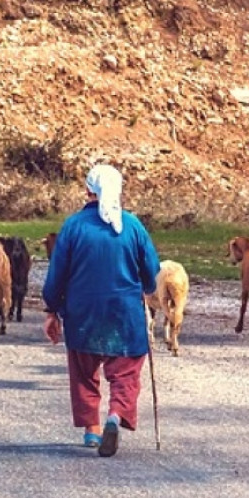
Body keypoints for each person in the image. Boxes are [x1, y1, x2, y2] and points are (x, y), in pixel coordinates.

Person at [42, 163, 161, 457]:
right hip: (125, 314)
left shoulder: (73, 226)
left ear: (87, 191)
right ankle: (115, 415)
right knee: (125, 372)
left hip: (83, 314)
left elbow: (57, 274)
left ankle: (92, 429)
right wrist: (145, 288)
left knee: (83, 371)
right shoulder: (132, 226)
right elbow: (151, 272)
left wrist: (51, 310)